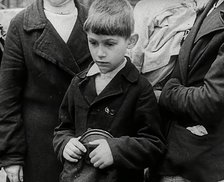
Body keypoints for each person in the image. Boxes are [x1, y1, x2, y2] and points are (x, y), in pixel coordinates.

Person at [53, 0, 166, 181]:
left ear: (131, 41)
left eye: (109, 44)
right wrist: (65, 144)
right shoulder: (78, 83)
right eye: (93, 43)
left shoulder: (139, 89)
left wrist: (115, 150)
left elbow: (154, 144)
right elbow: (62, 129)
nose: (100, 53)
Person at [0, 0, 91, 181]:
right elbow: (7, 97)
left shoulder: (92, 19)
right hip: (38, 146)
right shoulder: (21, 24)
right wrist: (12, 156)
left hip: (87, 142)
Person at [157, 0, 224, 181]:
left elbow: (212, 100)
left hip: (198, 159)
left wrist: (165, 93)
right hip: (174, 149)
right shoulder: (211, 5)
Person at [130, 0, 196, 89]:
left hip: (154, 76)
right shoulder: (195, 7)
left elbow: (136, 50)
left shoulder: (145, 7)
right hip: (170, 76)